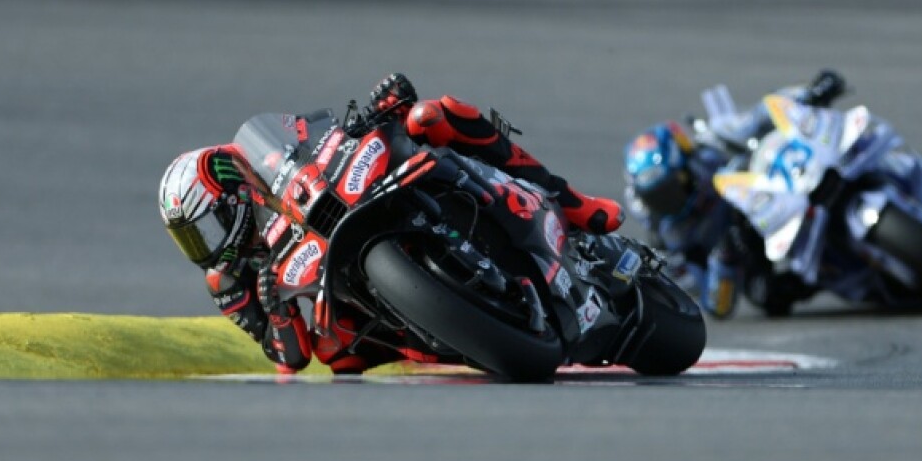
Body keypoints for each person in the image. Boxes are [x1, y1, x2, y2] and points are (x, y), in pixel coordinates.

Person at [157, 72, 623, 374]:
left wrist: (381, 110)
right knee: (337, 354)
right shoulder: (227, 281)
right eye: (190, 239)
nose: (205, 247)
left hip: (349, 200)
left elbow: (319, 137)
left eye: (207, 228)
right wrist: (275, 310)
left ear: (235, 195)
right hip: (342, 292)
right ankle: (448, 335)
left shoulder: (268, 160)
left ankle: (573, 202)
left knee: (433, 115)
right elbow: (289, 357)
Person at [622, 70, 847, 319]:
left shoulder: (712, 145)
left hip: (785, 184)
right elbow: (715, 304)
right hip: (755, 248)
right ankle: (833, 274)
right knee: (766, 295)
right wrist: (726, 255)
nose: (667, 202)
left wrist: (809, 94)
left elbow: (761, 113)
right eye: (655, 198)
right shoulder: (671, 241)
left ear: (686, 167)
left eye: (670, 189)